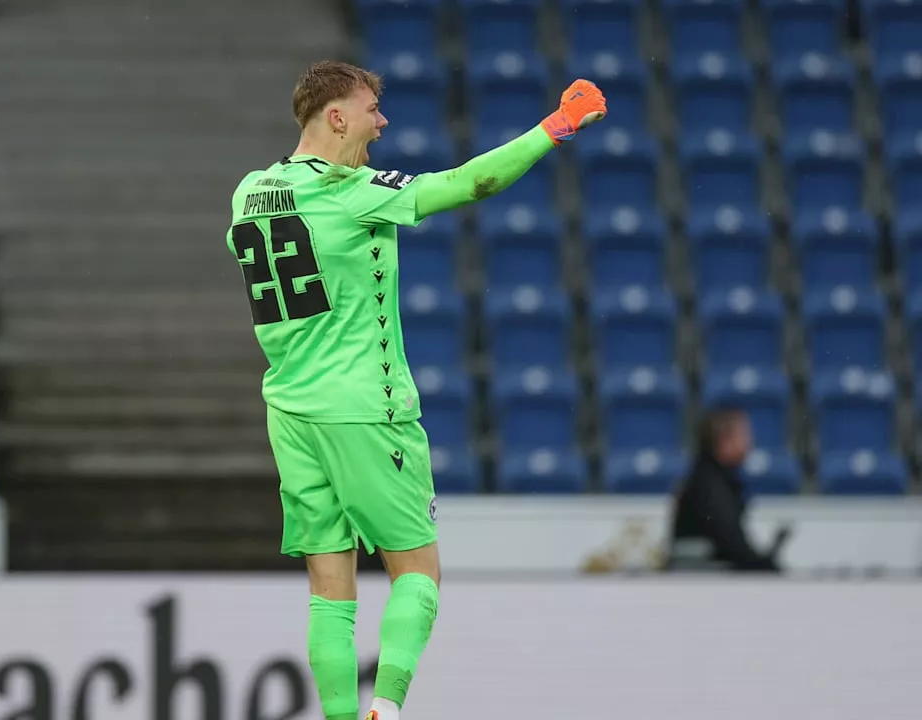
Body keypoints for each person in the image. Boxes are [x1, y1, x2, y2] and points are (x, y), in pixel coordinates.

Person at [225, 61, 606, 720]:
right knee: (418, 577)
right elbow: (466, 184)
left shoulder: (250, 191)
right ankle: (388, 709)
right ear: (337, 116)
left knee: (329, 589)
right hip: (366, 410)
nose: (384, 122)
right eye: (373, 109)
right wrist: (558, 124)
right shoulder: (351, 191)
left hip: (291, 411)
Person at [666, 406, 787, 573]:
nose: (750, 442)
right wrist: (763, 565)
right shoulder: (709, 486)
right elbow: (730, 543)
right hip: (701, 581)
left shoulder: (714, 478)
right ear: (724, 440)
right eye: (744, 435)